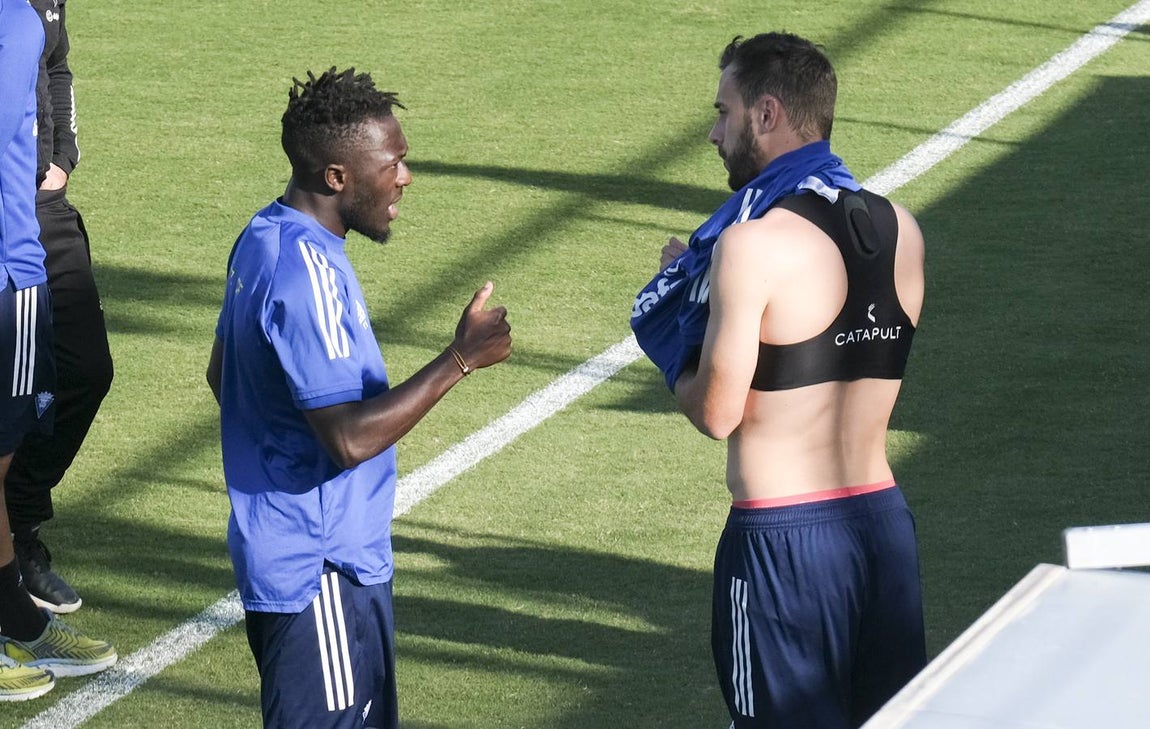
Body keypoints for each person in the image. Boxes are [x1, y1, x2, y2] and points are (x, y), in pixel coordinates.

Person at [631, 33, 926, 728]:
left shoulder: (751, 245)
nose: (713, 131)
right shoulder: (904, 228)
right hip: (884, 527)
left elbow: (717, 411)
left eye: (723, 111)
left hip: (782, 544)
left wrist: (682, 329)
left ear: (767, 114)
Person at [206, 67, 512, 728]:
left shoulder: (263, 236)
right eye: (393, 162)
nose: (405, 176)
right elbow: (347, 438)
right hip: (323, 568)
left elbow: (221, 374)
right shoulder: (307, 271)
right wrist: (461, 357)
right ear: (337, 177)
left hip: (294, 553)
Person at [0, 0, 117, 702]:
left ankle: (15, 607)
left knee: (22, 425)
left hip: (23, 245)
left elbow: (55, 67)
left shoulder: (24, 16)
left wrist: (62, 158)